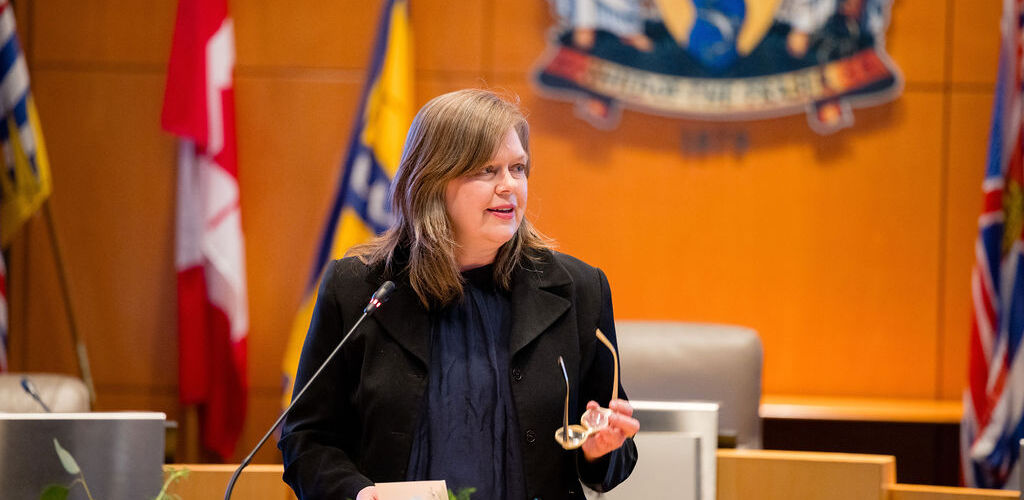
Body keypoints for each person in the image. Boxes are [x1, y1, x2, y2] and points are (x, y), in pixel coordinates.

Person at [278, 89, 639, 500]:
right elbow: (306, 439)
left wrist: (600, 449)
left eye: (518, 168)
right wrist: (357, 494)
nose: (509, 186)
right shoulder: (357, 288)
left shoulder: (578, 289)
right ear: (433, 179)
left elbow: (614, 455)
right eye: (487, 170)